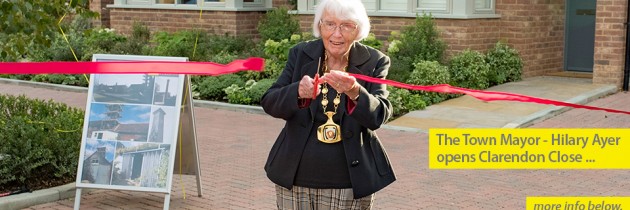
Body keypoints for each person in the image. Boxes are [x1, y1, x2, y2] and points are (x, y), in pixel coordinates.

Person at [260, 0, 395, 208]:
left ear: (359, 29)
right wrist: (297, 91)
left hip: (347, 182)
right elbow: (270, 101)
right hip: (295, 177)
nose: (337, 34)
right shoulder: (300, 54)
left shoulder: (374, 61)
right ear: (319, 26)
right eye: (330, 24)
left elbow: (379, 115)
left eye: (347, 25)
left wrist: (355, 92)